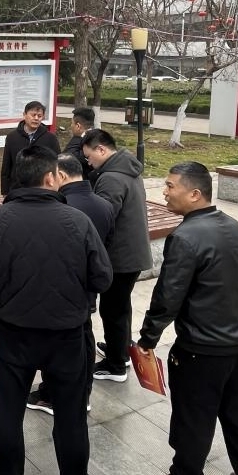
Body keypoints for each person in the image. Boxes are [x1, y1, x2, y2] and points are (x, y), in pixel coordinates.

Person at [0, 146, 111, 475]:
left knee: (9, 409)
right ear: (50, 178)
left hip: (14, 334)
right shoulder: (77, 221)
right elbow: (103, 277)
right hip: (67, 335)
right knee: (70, 415)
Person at [136, 162, 238, 475]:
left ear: (195, 194)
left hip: (203, 349)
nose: (165, 192)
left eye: (171, 186)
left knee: (193, 416)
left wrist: (147, 338)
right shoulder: (235, 227)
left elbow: (168, 296)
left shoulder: (185, 237)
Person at [26, 153, 115, 414]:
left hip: (61, 291)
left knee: (61, 348)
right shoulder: (103, 205)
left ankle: (53, 395)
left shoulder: (63, 208)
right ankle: (82, 393)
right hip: (88, 288)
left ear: (61, 176)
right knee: (85, 338)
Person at [82, 127, 153, 383]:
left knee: (112, 310)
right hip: (133, 252)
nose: (88, 162)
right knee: (120, 307)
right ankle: (120, 349)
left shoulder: (111, 178)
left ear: (101, 149)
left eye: (89, 156)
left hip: (120, 257)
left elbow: (104, 218)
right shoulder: (128, 168)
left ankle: (115, 365)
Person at [0, 100, 59, 196]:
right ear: (24, 115)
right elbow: (6, 166)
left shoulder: (50, 138)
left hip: (43, 190)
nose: (36, 118)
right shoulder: (12, 137)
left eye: (39, 116)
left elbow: (57, 164)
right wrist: (5, 192)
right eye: (33, 115)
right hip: (17, 189)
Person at [62, 107, 97, 182]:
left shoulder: (79, 143)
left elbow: (66, 158)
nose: (71, 126)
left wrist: (77, 137)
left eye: (72, 123)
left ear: (78, 126)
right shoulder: (99, 138)